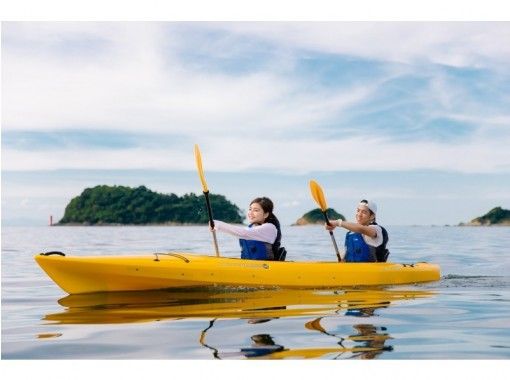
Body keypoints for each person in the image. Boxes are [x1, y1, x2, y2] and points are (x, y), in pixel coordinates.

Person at [212, 197, 286, 261]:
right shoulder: (251, 227)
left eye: (256, 210)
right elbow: (240, 231)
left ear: (266, 214)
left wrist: (217, 224)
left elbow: (243, 232)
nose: (251, 213)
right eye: (250, 209)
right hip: (249, 265)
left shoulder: (270, 228)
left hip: (264, 267)